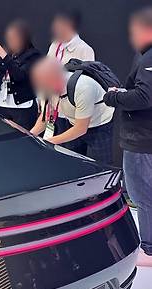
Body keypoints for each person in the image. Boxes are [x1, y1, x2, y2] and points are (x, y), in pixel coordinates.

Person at [103, 7, 152, 262]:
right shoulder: (144, 57)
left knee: (141, 194)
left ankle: (149, 249)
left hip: (141, 140)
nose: (132, 38)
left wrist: (115, 97)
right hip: (144, 138)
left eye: (135, 32)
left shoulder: (148, 59)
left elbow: (144, 97)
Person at [30, 57, 115, 164]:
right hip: (73, 122)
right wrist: (29, 136)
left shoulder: (83, 87)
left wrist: (49, 142)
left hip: (99, 124)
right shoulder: (46, 88)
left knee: (102, 164)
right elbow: (46, 117)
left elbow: (81, 128)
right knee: (71, 161)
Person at [0, 19, 42, 130]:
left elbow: (20, 76)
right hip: (0, 104)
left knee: (22, 137)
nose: (11, 41)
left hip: (23, 106)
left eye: (15, 37)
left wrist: (4, 56)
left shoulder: (33, 55)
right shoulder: (6, 52)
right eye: (9, 38)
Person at [48, 10, 95, 136]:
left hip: (71, 112)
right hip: (53, 108)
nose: (55, 28)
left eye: (59, 24)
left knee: (68, 145)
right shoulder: (55, 45)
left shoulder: (85, 50)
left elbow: (87, 84)